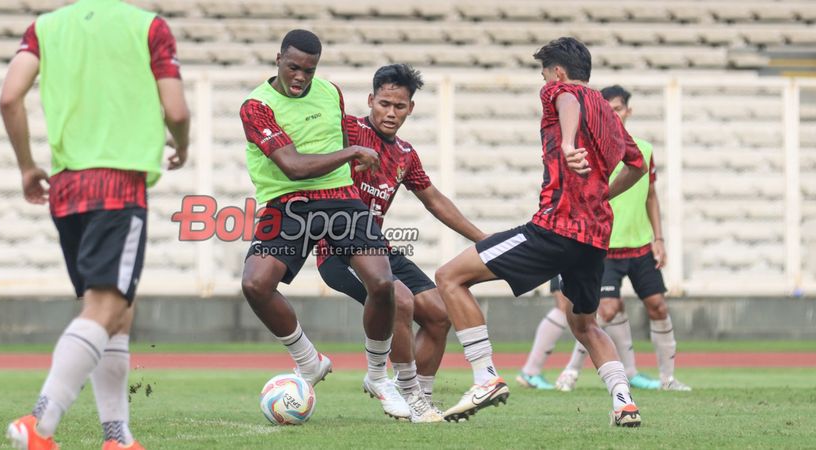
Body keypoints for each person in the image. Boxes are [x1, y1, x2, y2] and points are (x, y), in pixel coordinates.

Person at [0, 1, 189, 449]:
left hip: (67, 185)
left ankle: (117, 437)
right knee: (104, 308)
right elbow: (177, 111)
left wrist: (27, 165)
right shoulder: (149, 27)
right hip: (119, 183)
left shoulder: (44, 27)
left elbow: (9, 96)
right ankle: (39, 423)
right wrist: (182, 146)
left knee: (118, 312)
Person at [434, 37, 648, 427]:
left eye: (545, 74)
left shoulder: (559, 91)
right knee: (584, 324)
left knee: (449, 277)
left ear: (558, 73)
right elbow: (638, 166)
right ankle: (624, 402)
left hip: (555, 229)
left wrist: (567, 143)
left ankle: (485, 378)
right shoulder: (610, 115)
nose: (545, 82)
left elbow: (566, 99)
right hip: (595, 239)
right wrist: (602, 192)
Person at [238, 30, 401, 418]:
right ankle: (308, 361)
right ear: (278, 59)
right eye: (293, 67)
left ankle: (379, 377)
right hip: (287, 202)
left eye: (309, 70)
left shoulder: (331, 92)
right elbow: (292, 167)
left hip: (339, 197)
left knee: (382, 284)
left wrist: (366, 154)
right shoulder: (256, 107)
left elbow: (345, 138)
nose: (300, 77)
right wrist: (352, 152)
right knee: (255, 284)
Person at [316, 64, 486, 422]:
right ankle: (406, 392)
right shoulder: (347, 130)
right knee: (401, 300)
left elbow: (435, 200)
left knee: (440, 315)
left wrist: (483, 239)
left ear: (410, 108)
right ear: (370, 100)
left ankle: (419, 397)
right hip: (337, 250)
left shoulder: (406, 154)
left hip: (376, 247)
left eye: (399, 106)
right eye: (384, 103)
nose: (390, 112)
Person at [555, 86, 691, 392]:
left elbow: (651, 196)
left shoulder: (642, 149)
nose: (614, 114)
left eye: (618, 109)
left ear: (628, 111)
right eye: (609, 109)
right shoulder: (587, 150)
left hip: (641, 246)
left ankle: (668, 379)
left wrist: (659, 238)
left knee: (658, 306)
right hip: (605, 248)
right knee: (605, 311)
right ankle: (570, 372)